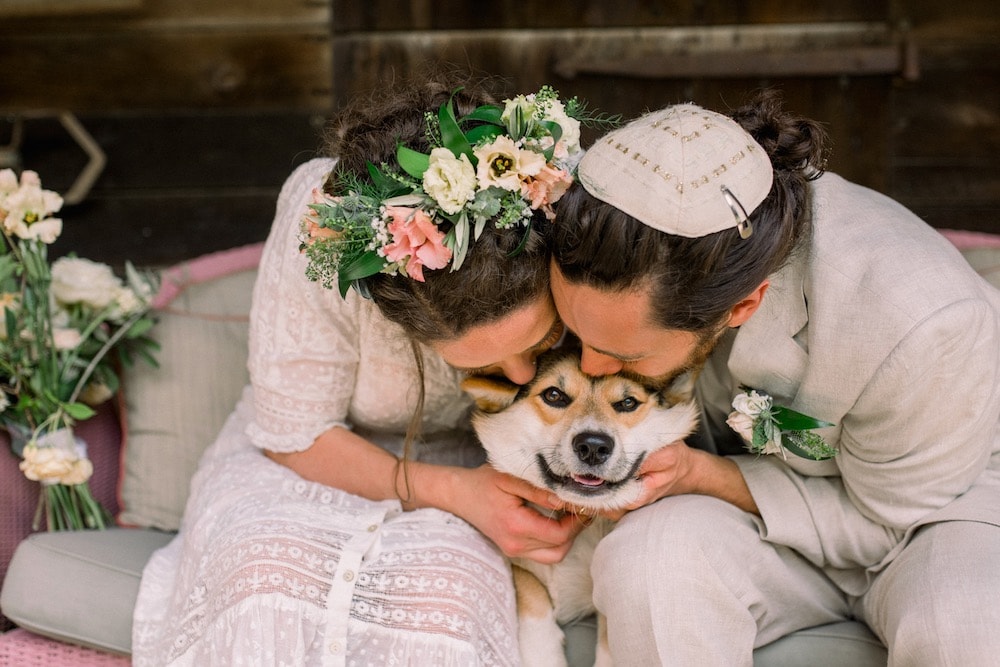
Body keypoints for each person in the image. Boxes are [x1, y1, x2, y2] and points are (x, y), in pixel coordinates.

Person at [131, 75, 591, 665]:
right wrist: (455, 494)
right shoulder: (326, 224)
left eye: (543, 338)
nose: (525, 375)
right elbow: (295, 433)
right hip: (305, 465)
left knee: (444, 607)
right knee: (263, 579)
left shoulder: (565, 202)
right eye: (480, 361)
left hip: (482, 475)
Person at [548, 91, 1000, 665]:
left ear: (740, 306)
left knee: (970, 631)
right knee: (649, 564)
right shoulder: (624, 248)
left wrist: (699, 472)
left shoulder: (927, 321)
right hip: (762, 504)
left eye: (623, 354)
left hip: (932, 518)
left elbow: (885, 524)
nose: (590, 368)